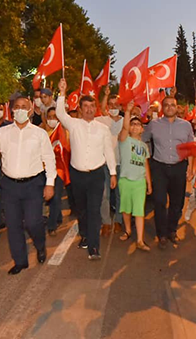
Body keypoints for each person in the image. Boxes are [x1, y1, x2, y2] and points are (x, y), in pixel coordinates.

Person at [0, 96, 56, 275]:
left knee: (33, 222)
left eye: (24, 107)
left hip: (33, 184)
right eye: (17, 107)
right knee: (13, 225)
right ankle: (20, 261)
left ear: (30, 110)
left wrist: (50, 184)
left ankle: (40, 244)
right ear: (12, 110)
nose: (20, 110)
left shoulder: (39, 133)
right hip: (10, 186)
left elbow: (49, 160)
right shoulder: (2, 133)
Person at [56, 78, 117, 261]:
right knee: (81, 209)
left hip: (97, 175)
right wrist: (62, 92)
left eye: (92, 106)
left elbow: (108, 152)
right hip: (77, 175)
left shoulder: (103, 128)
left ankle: (94, 247)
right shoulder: (73, 124)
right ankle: (84, 234)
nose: (89, 110)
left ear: (95, 108)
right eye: (86, 107)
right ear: (81, 109)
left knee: (94, 209)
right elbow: (60, 113)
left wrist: (113, 173)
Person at [143, 96, 194, 249]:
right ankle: (162, 234)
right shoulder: (153, 125)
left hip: (179, 167)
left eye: (172, 105)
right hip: (159, 167)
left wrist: (190, 167)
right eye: (166, 105)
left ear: (177, 107)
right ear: (162, 108)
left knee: (177, 203)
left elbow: (190, 147)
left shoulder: (186, 125)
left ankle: (172, 230)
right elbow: (142, 138)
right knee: (159, 201)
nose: (170, 107)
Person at [117, 101, 152, 251]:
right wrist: (128, 111)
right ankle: (128, 230)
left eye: (138, 124)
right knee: (126, 209)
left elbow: (145, 164)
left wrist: (149, 183)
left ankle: (140, 240)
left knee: (139, 211)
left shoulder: (144, 146)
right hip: (125, 180)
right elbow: (124, 127)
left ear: (142, 129)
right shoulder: (125, 140)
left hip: (139, 182)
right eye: (133, 124)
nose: (135, 126)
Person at [97, 86, 125, 235]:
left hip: (121, 163)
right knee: (104, 194)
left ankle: (119, 221)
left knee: (120, 194)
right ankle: (106, 222)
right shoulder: (102, 120)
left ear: (120, 107)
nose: (113, 108)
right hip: (104, 163)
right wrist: (105, 96)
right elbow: (100, 109)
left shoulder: (125, 121)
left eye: (116, 105)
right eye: (111, 105)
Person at [42, 107, 66, 236]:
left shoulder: (64, 132)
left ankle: (52, 226)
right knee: (50, 197)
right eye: (49, 117)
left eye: (54, 117)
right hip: (44, 168)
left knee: (55, 196)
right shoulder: (41, 132)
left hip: (60, 169)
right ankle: (58, 216)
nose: (52, 120)